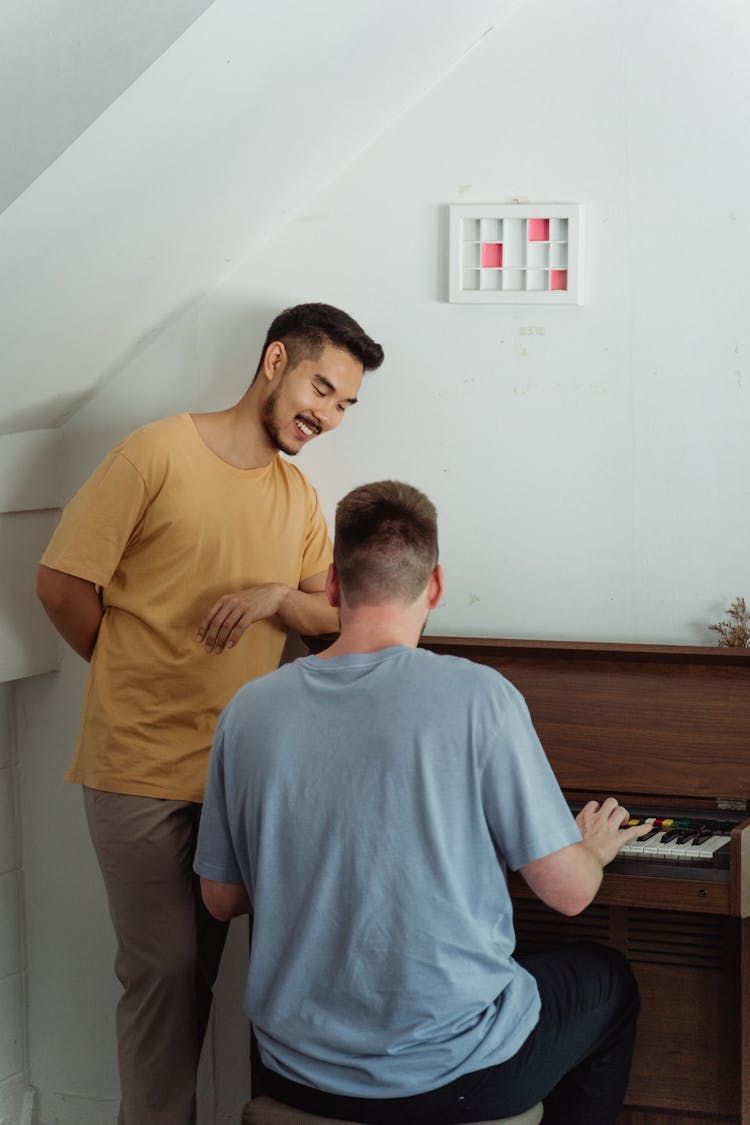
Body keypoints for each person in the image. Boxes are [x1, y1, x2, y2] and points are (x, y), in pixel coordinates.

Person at [194, 480, 652, 1125]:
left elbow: (222, 899)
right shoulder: (478, 697)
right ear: (434, 587)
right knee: (609, 981)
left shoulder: (248, 710)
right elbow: (569, 894)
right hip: (450, 1075)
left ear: (331, 587)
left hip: (294, 1067)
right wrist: (590, 848)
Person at [36, 303, 384, 1125]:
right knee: (163, 978)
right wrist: (130, 670)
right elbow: (60, 585)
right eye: (321, 388)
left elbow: (338, 615)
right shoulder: (153, 453)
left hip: (245, 778)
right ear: (275, 361)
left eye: (344, 405)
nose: (327, 415)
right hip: (140, 773)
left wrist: (274, 598)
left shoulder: (297, 497)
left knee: (232, 978)